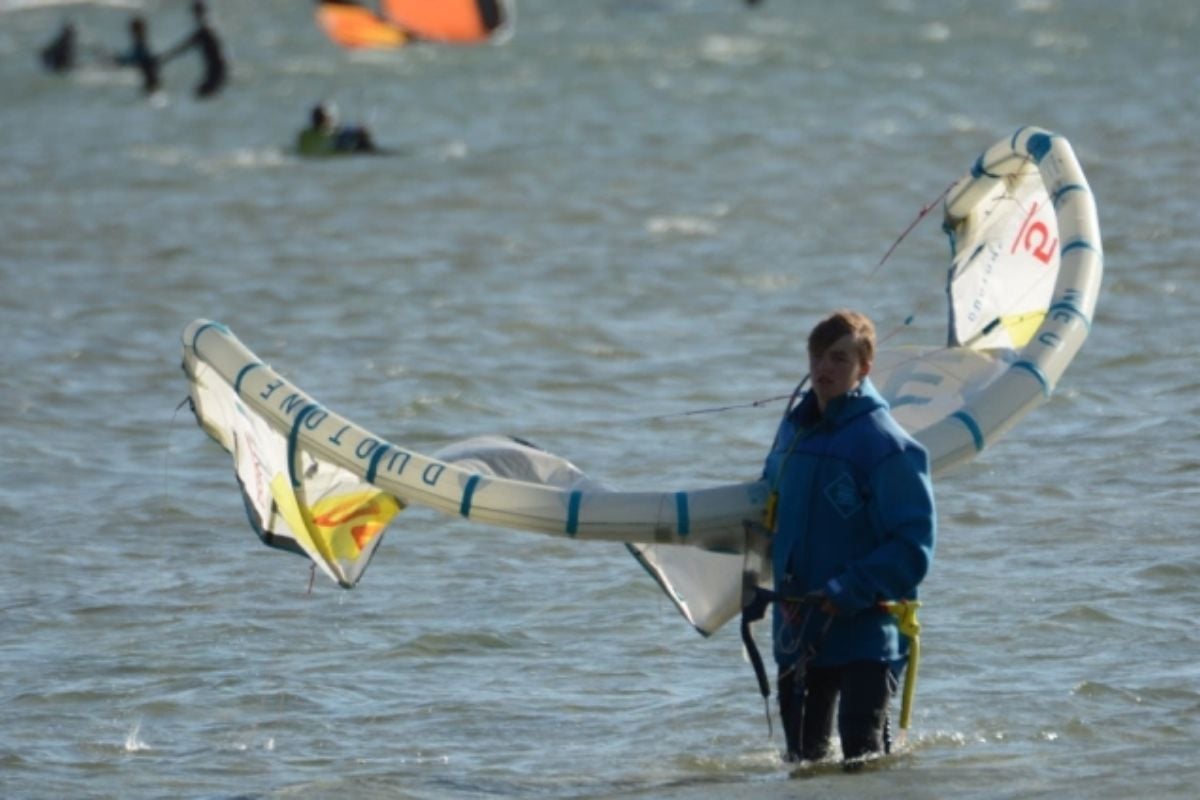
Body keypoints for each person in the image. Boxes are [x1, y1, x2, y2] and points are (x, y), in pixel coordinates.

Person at [758, 309, 935, 766]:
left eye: (839, 358)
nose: (823, 368)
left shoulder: (885, 443)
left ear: (865, 367)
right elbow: (765, 512)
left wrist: (848, 588)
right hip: (799, 627)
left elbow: (913, 547)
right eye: (817, 357)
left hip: (865, 630)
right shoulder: (793, 434)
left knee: (863, 759)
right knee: (802, 764)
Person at [161, 1, 228, 98]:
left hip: (216, 72)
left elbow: (184, 47)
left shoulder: (205, 31)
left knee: (200, 95)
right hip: (217, 71)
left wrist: (164, 58)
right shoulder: (210, 29)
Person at [296, 103, 377, 156]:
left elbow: (362, 132)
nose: (320, 120)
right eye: (318, 118)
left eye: (322, 118)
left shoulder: (341, 131)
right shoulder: (305, 134)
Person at [113, 16, 161, 95]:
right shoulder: (142, 46)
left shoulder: (141, 47)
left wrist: (120, 60)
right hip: (150, 81)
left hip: (150, 82)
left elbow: (134, 58)